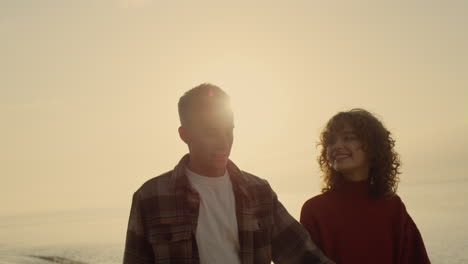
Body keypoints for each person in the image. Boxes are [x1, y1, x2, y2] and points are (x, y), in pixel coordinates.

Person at [123, 83, 334, 264]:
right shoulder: (150, 197)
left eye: (229, 130)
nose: (224, 142)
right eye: (211, 132)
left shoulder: (259, 193)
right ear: (184, 134)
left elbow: (304, 255)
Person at [300, 108, 431, 264]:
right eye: (331, 141)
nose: (337, 146)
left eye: (348, 138)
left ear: (372, 146)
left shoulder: (393, 207)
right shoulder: (314, 209)